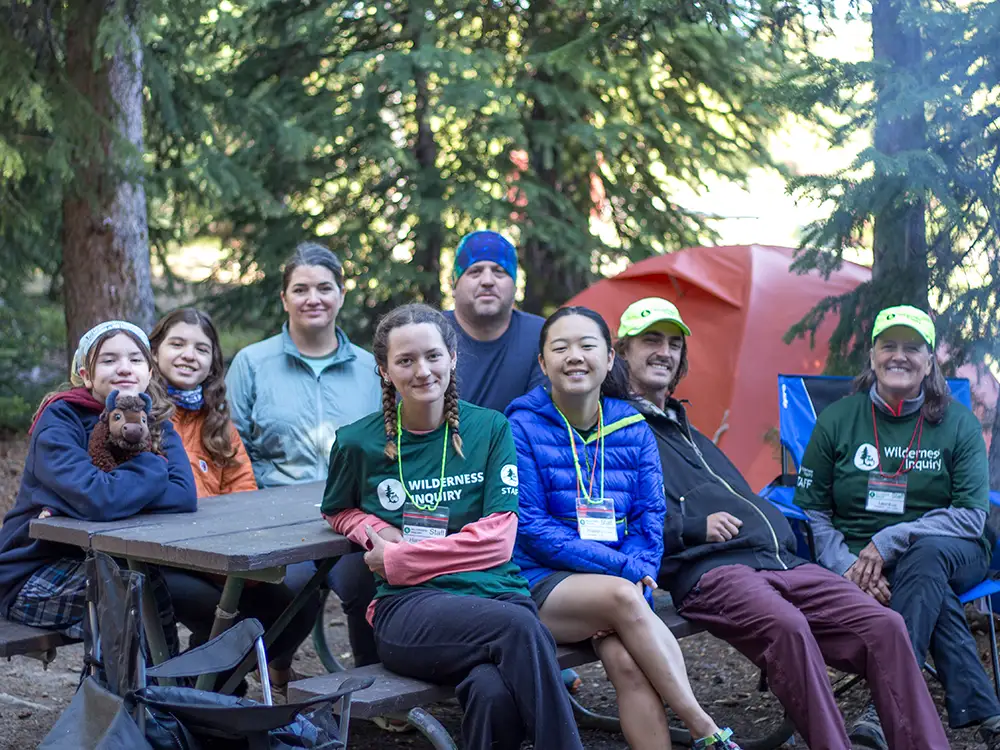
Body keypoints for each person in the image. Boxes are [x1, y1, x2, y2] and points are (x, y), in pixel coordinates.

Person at [616, 298, 950, 750]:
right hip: (711, 569)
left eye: (674, 344)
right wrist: (690, 528)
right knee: (788, 627)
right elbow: (615, 518)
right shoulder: (616, 427)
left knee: (885, 627)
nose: (665, 352)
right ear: (622, 351)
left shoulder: (684, 428)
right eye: (651, 341)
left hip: (779, 561)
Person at [321, 303, 583, 749]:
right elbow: (336, 509)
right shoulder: (356, 442)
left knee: (492, 690)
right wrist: (371, 528)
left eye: (433, 356)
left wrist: (401, 558)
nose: (423, 371)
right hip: (410, 609)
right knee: (521, 630)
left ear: (453, 357)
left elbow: (498, 541)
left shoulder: (491, 428)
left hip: (497, 594)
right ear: (384, 370)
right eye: (406, 360)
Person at [506, 305, 742, 750]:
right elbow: (532, 527)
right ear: (543, 362)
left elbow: (649, 522)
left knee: (628, 664)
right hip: (542, 584)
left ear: (609, 358)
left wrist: (635, 575)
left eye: (587, 345)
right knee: (619, 598)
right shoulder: (520, 427)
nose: (575, 356)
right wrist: (624, 575)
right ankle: (704, 728)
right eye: (561, 347)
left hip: (622, 588)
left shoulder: (633, 428)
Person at [796, 304, 1000, 749]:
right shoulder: (837, 419)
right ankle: (988, 714)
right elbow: (814, 511)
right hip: (860, 560)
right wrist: (846, 566)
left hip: (955, 547)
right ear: (872, 356)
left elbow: (970, 516)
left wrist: (889, 539)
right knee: (926, 581)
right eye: (889, 346)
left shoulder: (959, 423)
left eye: (913, 348)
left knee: (924, 555)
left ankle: (883, 706)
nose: (899, 356)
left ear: (929, 362)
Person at [225, 242, 382, 668]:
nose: (313, 298)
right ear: (284, 298)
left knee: (373, 582)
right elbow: (233, 449)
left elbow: (385, 446)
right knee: (286, 592)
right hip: (275, 522)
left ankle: (372, 686)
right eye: (300, 289)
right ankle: (276, 672)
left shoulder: (372, 369)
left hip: (352, 520)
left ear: (342, 294)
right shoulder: (252, 363)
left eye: (324, 288)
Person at [150, 308, 321, 694]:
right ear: (155, 351)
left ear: (213, 363)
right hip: (160, 558)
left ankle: (208, 687)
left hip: (219, 555)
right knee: (228, 616)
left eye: (201, 349)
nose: (188, 355)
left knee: (297, 604)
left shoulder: (216, 422)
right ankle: (200, 690)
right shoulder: (138, 415)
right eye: (177, 344)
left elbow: (244, 496)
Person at [0, 321, 197, 656]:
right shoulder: (61, 419)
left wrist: (114, 495)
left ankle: (176, 685)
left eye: (135, 359)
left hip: (119, 564)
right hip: (33, 573)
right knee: (128, 591)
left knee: (180, 590)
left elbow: (183, 495)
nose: (124, 368)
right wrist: (153, 466)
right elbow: (98, 497)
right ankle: (132, 690)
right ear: (86, 375)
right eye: (109, 360)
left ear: (149, 372)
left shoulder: (155, 421)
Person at [444, 230, 547, 413]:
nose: (487, 281)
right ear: (454, 285)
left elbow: (542, 416)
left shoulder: (541, 336)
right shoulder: (430, 334)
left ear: (515, 286)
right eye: (475, 272)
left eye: (499, 272)